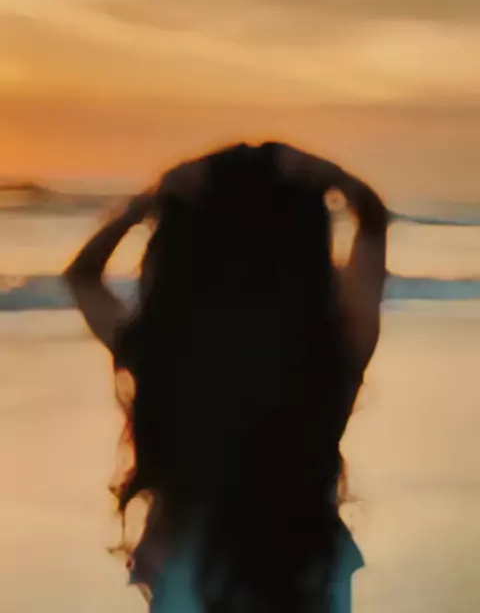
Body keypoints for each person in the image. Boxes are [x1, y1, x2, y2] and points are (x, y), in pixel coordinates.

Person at [64, 142, 388, 613]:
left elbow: (82, 276)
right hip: (302, 571)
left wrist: (150, 200)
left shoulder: (162, 356)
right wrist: (334, 177)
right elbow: (373, 224)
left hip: (190, 572)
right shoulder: (327, 360)